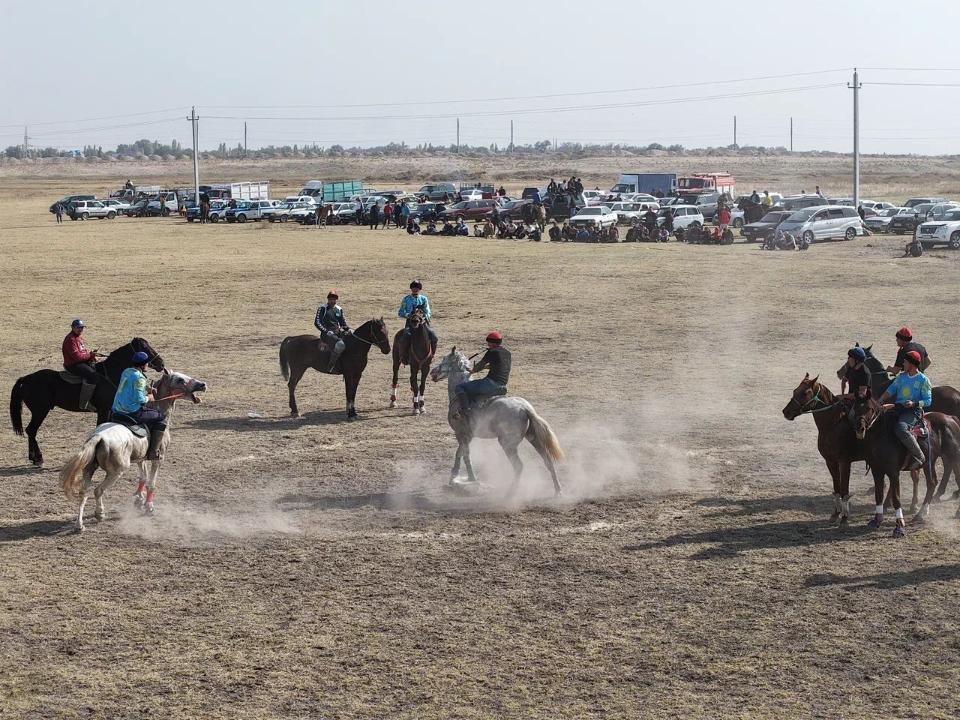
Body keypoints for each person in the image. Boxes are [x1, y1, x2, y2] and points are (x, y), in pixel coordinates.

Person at [877, 350, 931, 470]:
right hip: (898, 409)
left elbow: (928, 401)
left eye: (905, 362)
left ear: (912, 364)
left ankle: (919, 456)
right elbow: (890, 390)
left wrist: (914, 403)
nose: (903, 364)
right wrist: (880, 400)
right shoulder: (901, 377)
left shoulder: (923, 380)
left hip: (913, 412)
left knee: (900, 428)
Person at [112, 351, 166, 460]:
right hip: (131, 412)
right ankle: (153, 452)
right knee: (161, 418)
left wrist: (147, 388)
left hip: (117, 409)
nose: (148, 365)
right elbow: (139, 399)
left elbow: (131, 384)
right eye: (147, 363)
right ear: (142, 365)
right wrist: (149, 397)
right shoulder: (140, 378)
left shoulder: (126, 371)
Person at [453, 331, 511, 419]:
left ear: (492, 343)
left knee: (460, 387)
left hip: (489, 385)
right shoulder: (507, 353)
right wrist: (487, 367)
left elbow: (479, 365)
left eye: (488, 342)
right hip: (502, 387)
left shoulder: (492, 352)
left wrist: (473, 370)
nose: (488, 344)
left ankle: (464, 412)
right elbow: (500, 365)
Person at [62, 319, 101, 410]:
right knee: (93, 376)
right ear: (72, 328)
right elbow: (77, 357)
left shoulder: (78, 337)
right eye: (78, 328)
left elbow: (83, 352)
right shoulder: (70, 340)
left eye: (82, 328)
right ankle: (84, 403)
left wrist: (91, 356)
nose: (80, 330)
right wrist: (90, 355)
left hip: (80, 362)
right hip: (73, 365)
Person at [314, 290, 351, 372]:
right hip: (326, 334)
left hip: (338, 332)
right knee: (340, 344)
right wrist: (326, 331)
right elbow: (317, 322)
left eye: (334, 299)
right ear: (328, 299)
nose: (332, 301)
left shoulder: (339, 309)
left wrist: (349, 330)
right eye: (331, 299)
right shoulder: (322, 308)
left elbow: (342, 323)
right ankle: (331, 366)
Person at [398, 280, 438, 352]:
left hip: (422, 323)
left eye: (417, 288)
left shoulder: (423, 299)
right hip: (410, 323)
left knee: (434, 337)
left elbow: (428, 311)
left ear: (420, 289)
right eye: (413, 287)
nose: (415, 289)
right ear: (411, 289)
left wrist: (424, 317)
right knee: (405, 337)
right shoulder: (406, 299)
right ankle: (404, 355)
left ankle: (432, 355)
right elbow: (401, 312)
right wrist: (407, 315)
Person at [841, 347, 870, 422]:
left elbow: (861, 394)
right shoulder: (851, 368)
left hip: (861, 401)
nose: (848, 359)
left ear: (857, 360)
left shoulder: (865, 373)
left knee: (851, 416)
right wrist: (843, 394)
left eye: (850, 357)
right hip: (850, 398)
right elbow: (844, 380)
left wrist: (843, 396)